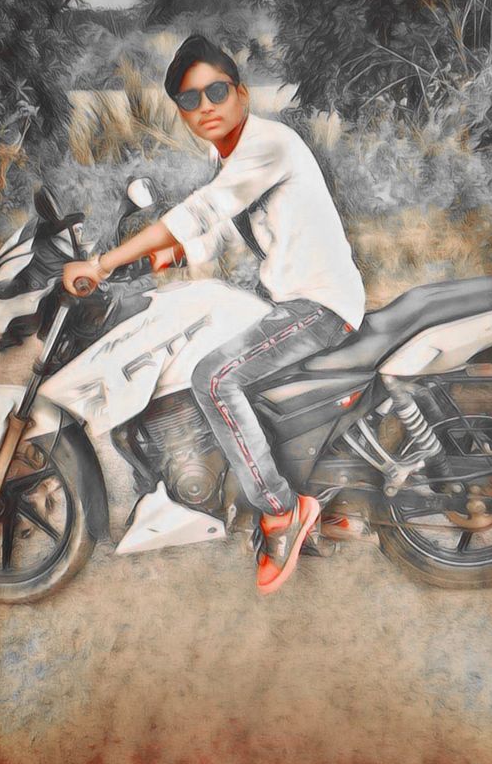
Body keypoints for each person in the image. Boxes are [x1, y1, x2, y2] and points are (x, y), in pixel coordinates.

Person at [63, 35, 366, 594]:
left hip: (320, 305)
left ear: (242, 93)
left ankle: (281, 511)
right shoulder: (228, 154)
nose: (204, 106)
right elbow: (219, 226)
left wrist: (104, 263)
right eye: (189, 99)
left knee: (215, 376)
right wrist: (159, 257)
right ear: (181, 111)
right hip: (292, 301)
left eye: (217, 91)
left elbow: (203, 209)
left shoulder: (268, 143)